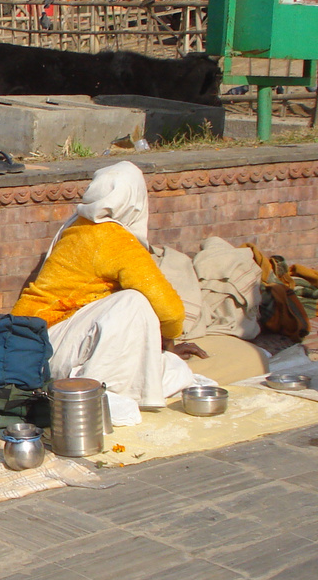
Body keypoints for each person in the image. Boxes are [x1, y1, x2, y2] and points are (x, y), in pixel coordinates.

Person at [13, 161, 207, 417]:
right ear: (136, 202)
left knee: (163, 364)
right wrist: (168, 340)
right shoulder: (113, 238)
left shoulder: (77, 226)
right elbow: (170, 312)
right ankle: (96, 392)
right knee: (134, 303)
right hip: (46, 351)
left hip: (28, 345)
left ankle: (94, 383)